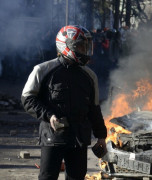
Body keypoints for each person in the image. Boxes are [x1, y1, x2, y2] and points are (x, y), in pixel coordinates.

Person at [21, 25, 107, 180]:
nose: (84, 50)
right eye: (81, 46)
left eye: (86, 46)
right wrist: (49, 115)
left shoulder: (90, 76)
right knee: (47, 177)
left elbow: (94, 109)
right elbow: (28, 99)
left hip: (79, 139)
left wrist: (101, 136)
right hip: (52, 137)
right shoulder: (43, 70)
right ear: (65, 46)